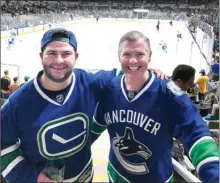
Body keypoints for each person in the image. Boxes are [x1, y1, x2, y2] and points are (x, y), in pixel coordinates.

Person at [1, 28, 165, 182]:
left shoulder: (90, 83)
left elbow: (123, 75)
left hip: (85, 178)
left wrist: (144, 71)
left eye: (66, 54)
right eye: (52, 53)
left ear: (76, 57)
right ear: (41, 55)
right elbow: (3, 148)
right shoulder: (18, 103)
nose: (59, 60)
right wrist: (34, 177)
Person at [91, 31, 219, 183]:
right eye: (127, 54)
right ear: (119, 56)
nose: (133, 60)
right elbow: (91, 131)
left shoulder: (170, 93)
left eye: (140, 54)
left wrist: (214, 174)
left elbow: (196, 132)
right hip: (116, 176)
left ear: (150, 56)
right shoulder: (109, 89)